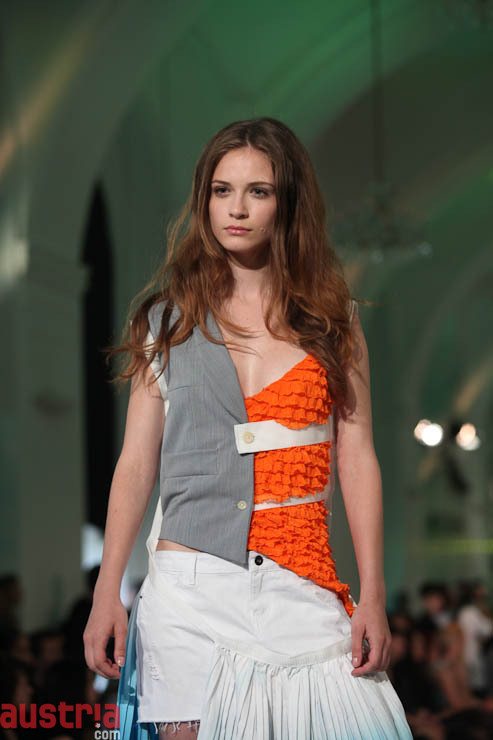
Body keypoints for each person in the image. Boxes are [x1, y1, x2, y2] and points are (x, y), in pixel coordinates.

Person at [83, 117, 413, 738]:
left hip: (303, 584)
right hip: (188, 591)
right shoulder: (165, 323)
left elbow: (357, 454)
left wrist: (373, 592)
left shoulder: (334, 323)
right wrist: (107, 592)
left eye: (257, 191)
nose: (236, 209)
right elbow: (136, 464)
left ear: (287, 204)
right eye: (221, 190)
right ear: (204, 199)